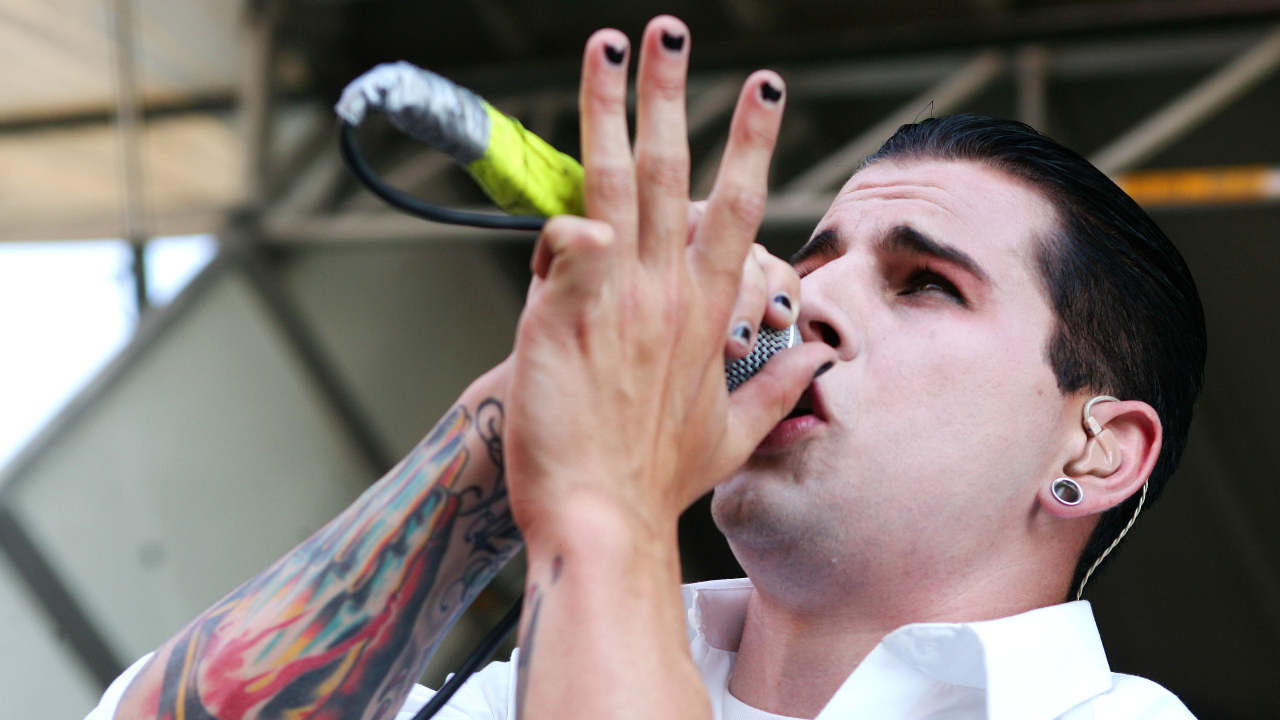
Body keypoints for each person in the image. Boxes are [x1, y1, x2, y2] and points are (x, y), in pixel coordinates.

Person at [90, 14, 1205, 720]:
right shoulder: (529, 678)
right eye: (811, 264)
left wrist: (604, 506)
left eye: (925, 283)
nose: (808, 301)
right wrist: (507, 427)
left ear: (1093, 447)